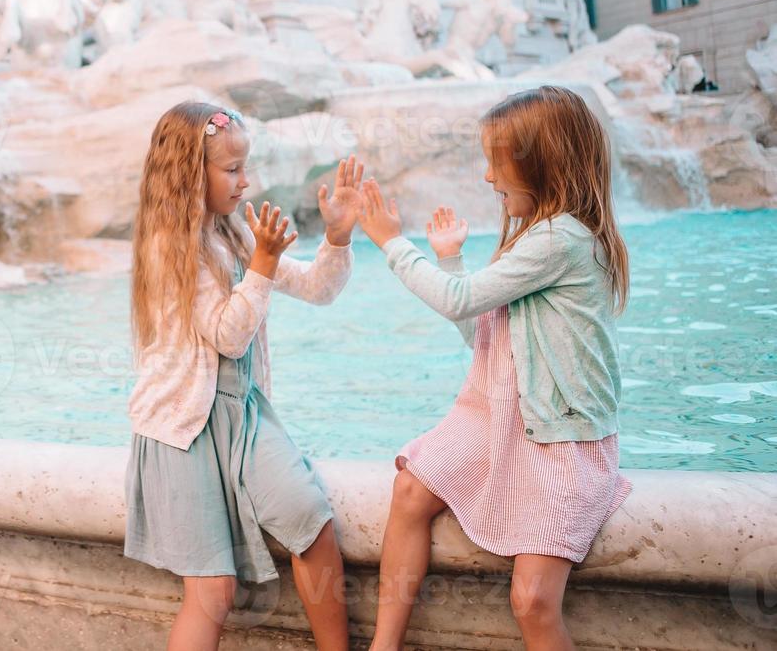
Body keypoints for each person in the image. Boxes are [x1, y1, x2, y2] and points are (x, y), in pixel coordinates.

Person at [355, 85, 634, 651]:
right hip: (500, 419)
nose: (487, 177)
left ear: (540, 164)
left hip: (559, 438)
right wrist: (450, 258)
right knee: (410, 492)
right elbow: (481, 335)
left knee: (531, 602)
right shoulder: (537, 238)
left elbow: (458, 300)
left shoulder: (561, 239)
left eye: (496, 163)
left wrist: (392, 243)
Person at [124, 100, 363, 650]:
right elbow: (228, 334)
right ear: (190, 174)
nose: (245, 181)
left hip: (241, 412)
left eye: (244, 167)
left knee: (309, 516)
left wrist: (338, 237)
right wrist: (261, 266)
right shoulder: (171, 246)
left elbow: (317, 289)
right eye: (231, 170)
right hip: (181, 428)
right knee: (213, 591)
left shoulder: (231, 233)